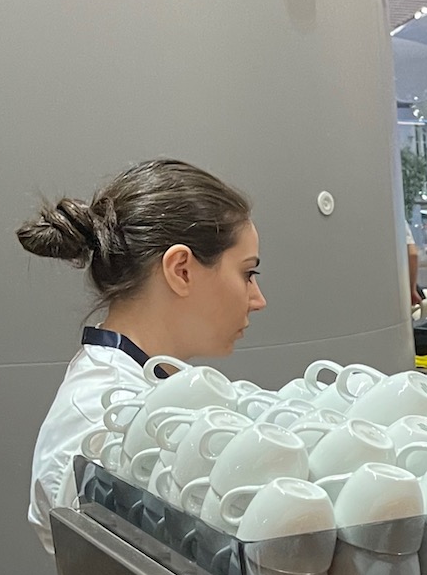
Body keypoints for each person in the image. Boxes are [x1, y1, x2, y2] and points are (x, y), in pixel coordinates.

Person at [19, 159, 265, 552]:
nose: (257, 300)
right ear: (181, 270)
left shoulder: (145, 393)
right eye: (247, 273)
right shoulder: (99, 426)